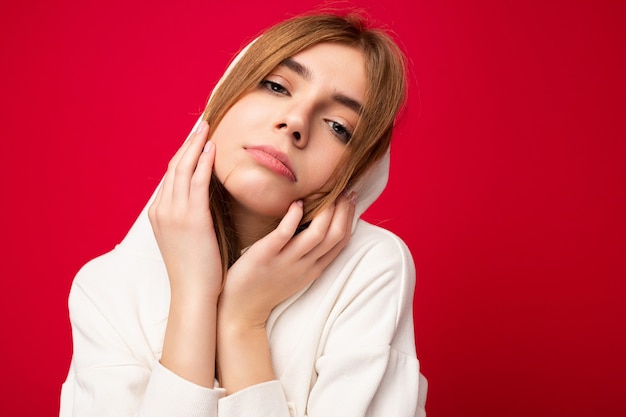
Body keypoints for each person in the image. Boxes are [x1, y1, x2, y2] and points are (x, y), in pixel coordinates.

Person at [60, 12, 427, 417]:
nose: (295, 122)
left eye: (339, 127)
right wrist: (194, 296)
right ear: (223, 98)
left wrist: (242, 321)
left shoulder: (370, 268)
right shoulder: (106, 288)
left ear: (356, 172)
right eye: (275, 86)